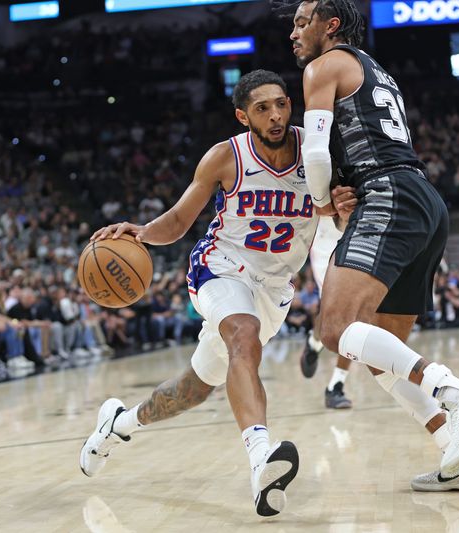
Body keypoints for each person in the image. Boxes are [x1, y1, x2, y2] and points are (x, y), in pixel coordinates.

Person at [80, 70, 356, 516]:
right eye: (263, 108)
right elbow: (179, 220)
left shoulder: (317, 151)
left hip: (273, 288)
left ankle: (119, 424)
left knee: (193, 388)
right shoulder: (224, 157)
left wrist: (343, 212)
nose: (276, 115)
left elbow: (336, 220)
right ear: (243, 115)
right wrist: (142, 233)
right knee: (243, 337)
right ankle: (260, 459)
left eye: (281, 104)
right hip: (219, 267)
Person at [281, 0, 459, 490]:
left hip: (388, 195)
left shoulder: (324, 65)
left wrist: (323, 201)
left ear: (330, 25)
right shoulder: (374, 69)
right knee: (381, 350)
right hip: (422, 198)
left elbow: (316, 151)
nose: (293, 33)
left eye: (302, 23)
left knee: (337, 328)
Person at [298, 216, 354, 408]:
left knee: (352, 314)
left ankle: (335, 386)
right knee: (335, 309)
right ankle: (314, 343)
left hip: (358, 229)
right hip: (327, 234)